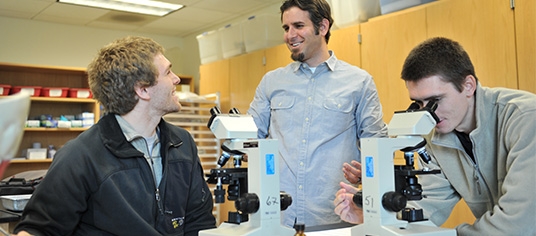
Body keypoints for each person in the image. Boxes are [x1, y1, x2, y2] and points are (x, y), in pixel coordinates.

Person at [12, 36, 217, 236]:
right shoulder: (81, 155)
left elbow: (199, 221)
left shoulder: (182, 143)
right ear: (143, 89)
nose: (176, 79)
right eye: (168, 72)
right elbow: (39, 229)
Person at [334, 37, 536, 235]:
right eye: (418, 103)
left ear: (468, 86)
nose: (428, 113)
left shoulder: (525, 119)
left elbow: (517, 225)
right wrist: (374, 215)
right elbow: (425, 208)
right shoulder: (437, 136)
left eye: (435, 100)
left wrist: (450, 234)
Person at [247, 0, 388, 227]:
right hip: (277, 218)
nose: (290, 35)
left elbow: (378, 147)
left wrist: (366, 172)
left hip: (335, 217)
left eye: (298, 26)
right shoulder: (271, 82)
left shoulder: (359, 82)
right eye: (286, 28)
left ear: (322, 27)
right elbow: (248, 138)